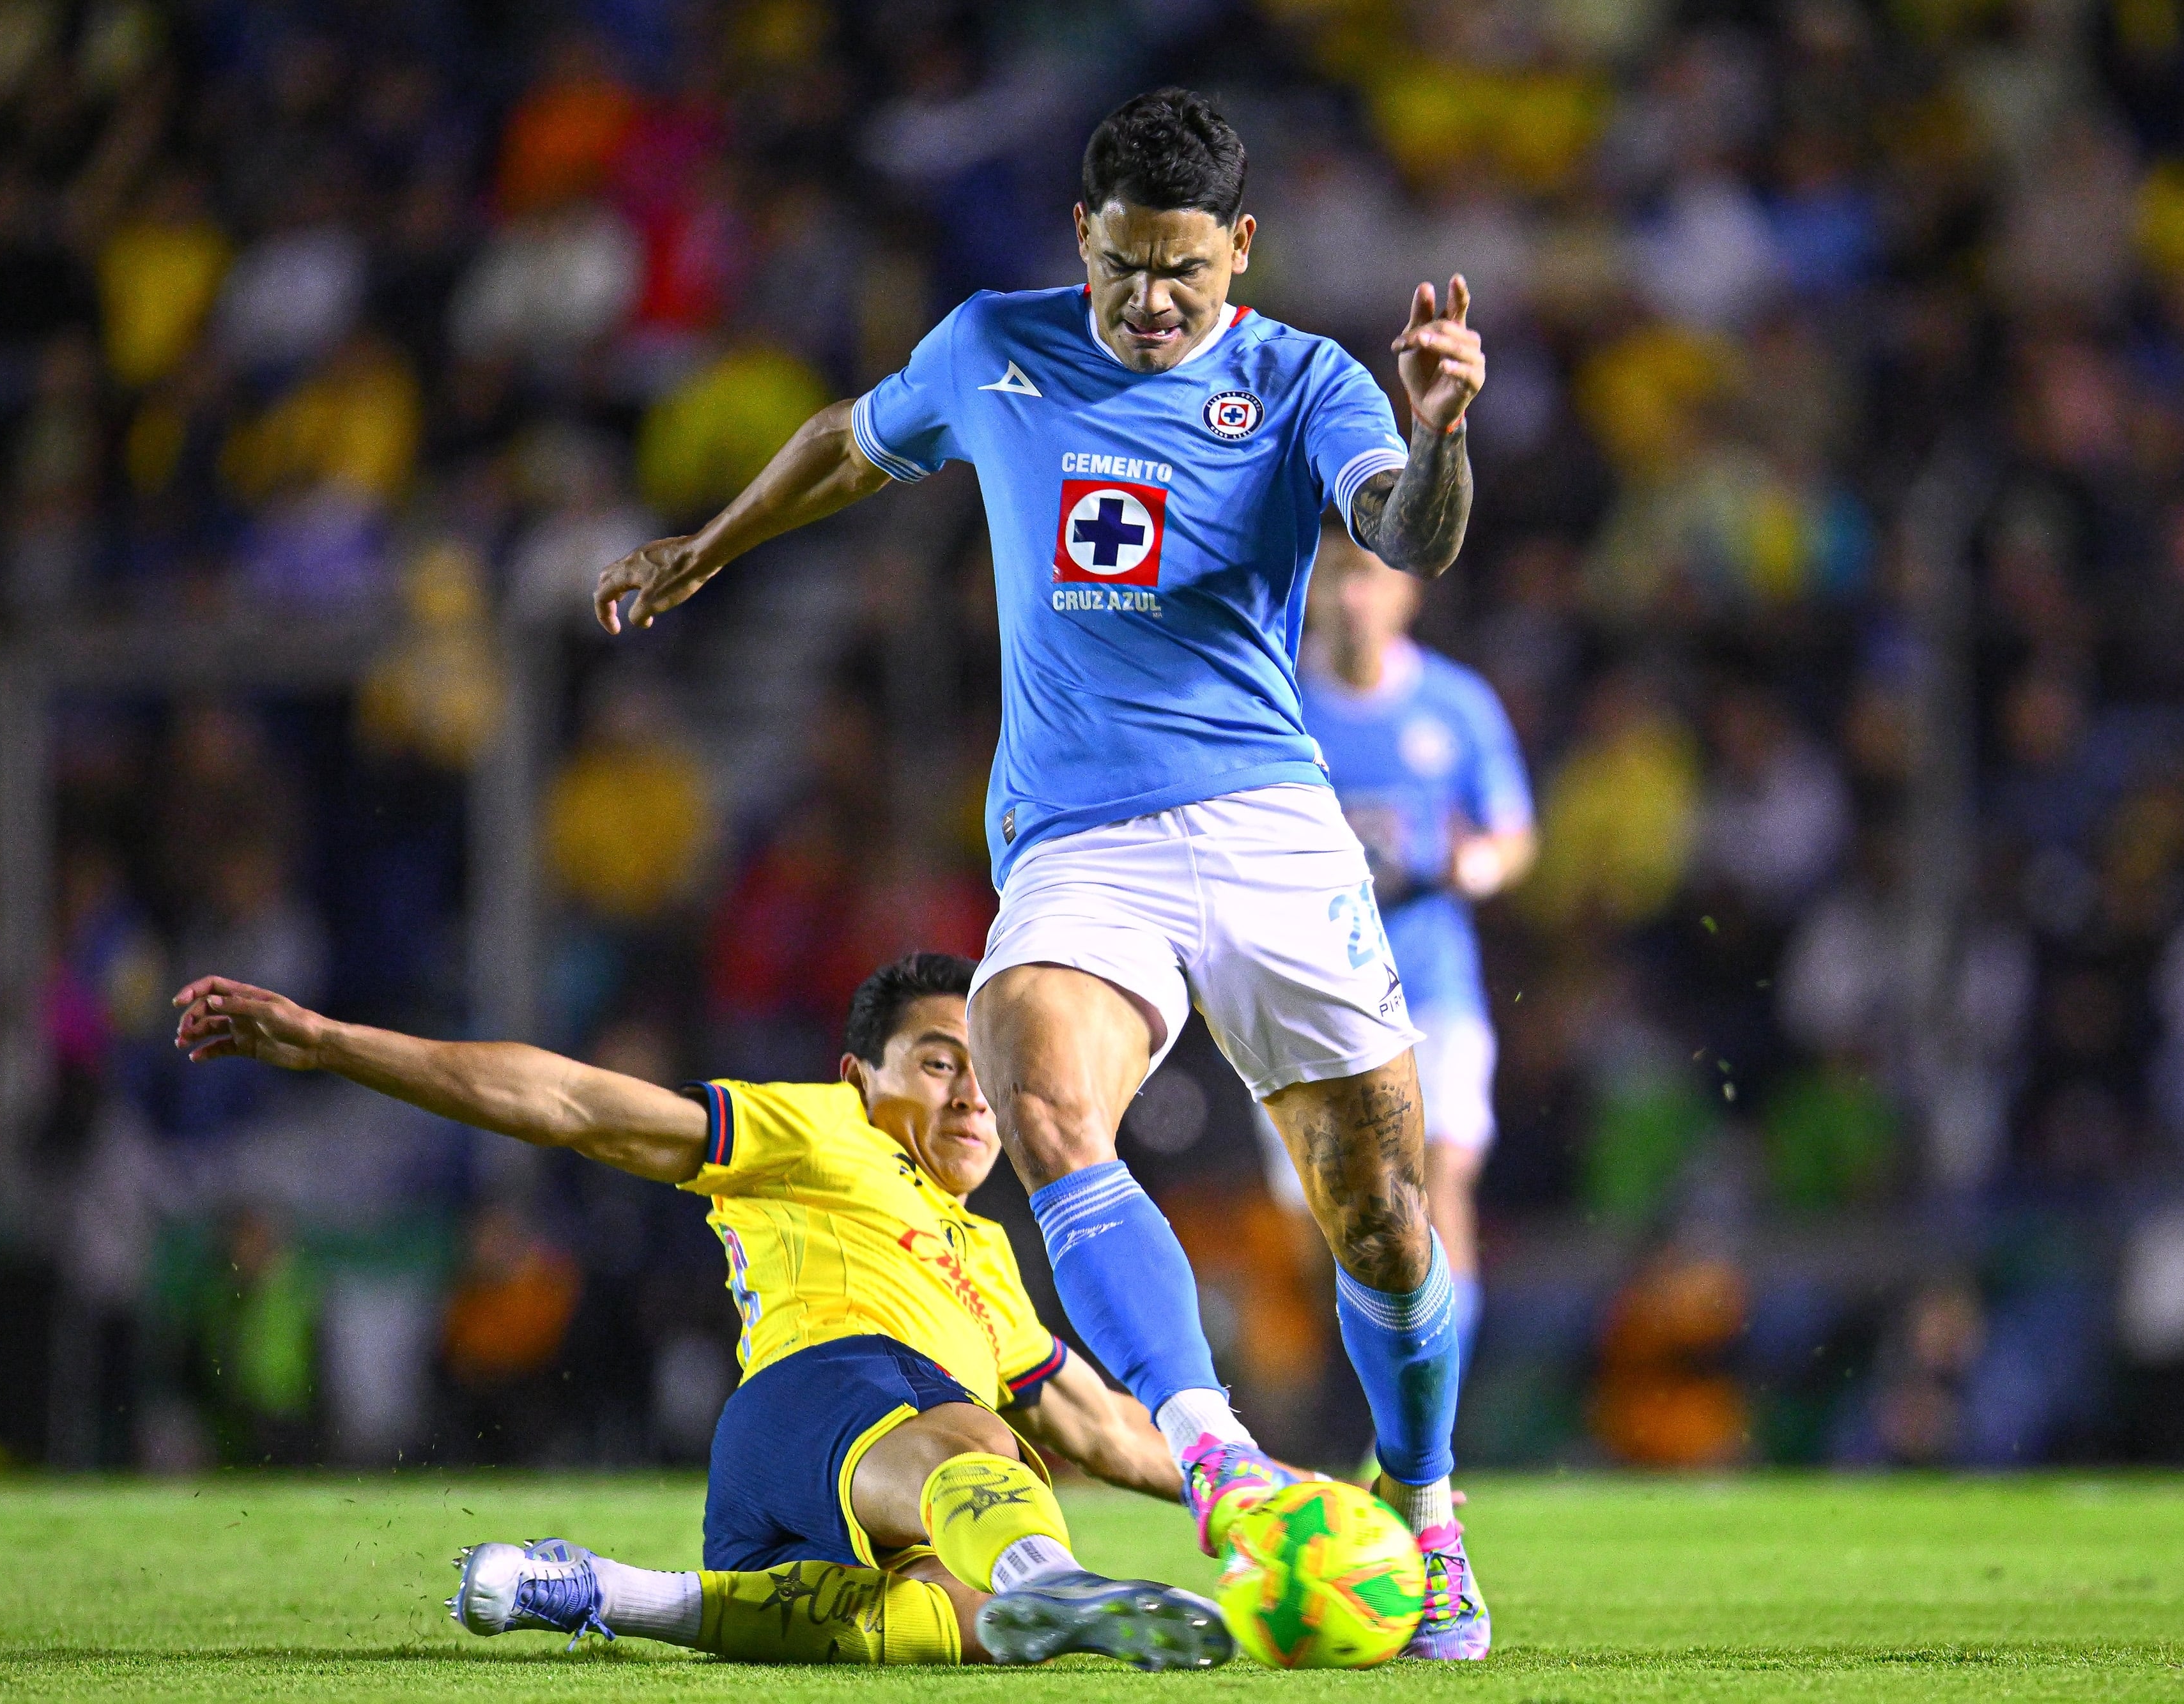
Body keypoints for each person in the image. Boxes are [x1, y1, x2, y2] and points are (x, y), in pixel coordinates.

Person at [592, 88, 1492, 1657]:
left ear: (1242, 253)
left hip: (1271, 826)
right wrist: (701, 549)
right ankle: (1217, 1465)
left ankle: (1421, 1503)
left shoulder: (1300, 380)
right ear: (1082, 233)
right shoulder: (989, 346)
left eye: (1184, 273)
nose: (1150, 303)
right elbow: (840, 447)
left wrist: (1433, 437)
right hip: (1077, 841)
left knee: (1385, 1222)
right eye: (1124, 266)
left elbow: (1405, 537)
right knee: (1043, 1088)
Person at [171, 953, 1232, 1670]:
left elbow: (1102, 1428)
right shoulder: (826, 1132)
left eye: (988, 1076)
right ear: (861, 1075)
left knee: (950, 1621)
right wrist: (336, 1044)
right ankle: (1060, 1581)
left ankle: (607, 1591)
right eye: (941, 1063)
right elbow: (578, 1105)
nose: (970, 1098)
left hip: (793, 1502)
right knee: (980, 1439)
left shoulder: (991, 1261)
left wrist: (1273, 1496)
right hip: (831, 1394)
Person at [1295, 524, 1534, 1375]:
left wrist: (1480, 863)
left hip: (1432, 986)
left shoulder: (1456, 706)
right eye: (1331, 579)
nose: (1348, 597)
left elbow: (1514, 834)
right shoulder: (1279, 697)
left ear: (1406, 593)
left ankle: (1439, 1411)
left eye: (1364, 577)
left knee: (1441, 1182)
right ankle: (1359, 1397)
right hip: (1312, 997)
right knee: (1337, 1218)